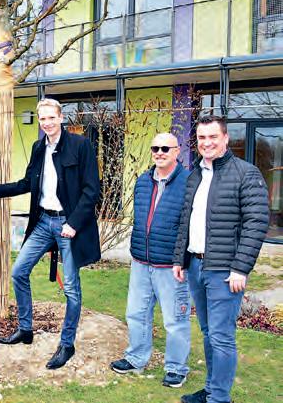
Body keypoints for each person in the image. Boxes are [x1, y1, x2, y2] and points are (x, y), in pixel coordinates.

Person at [0, 98, 100, 370]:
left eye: (51, 117)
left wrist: (73, 223)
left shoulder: (80, 145)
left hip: (68, 225)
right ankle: (25, 329)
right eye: (42, 118)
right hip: (44, 221)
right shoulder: (38, 148)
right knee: (18, 272)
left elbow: (91, 190)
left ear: (61, 117)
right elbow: (28, 183)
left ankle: (67, 344)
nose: (47, 123)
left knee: (71, 287)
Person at [174, 116, 269, 403]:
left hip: (224, 271)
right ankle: (212, 390)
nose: (207, 143)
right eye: (202, 138)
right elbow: (186, 220)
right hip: (195, 265)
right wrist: (180, 259)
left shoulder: (246, 173)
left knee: (221, 336)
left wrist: (240, 267)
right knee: (208, 333)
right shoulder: (194, 175)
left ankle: (219, 398)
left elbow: (256, 223)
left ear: (226, 138)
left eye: (213, 137)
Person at [109, 133, 191, 388]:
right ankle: (136, 358)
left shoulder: (189, 182)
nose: (160, 152)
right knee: (136, 313)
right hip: (141, 261)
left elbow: (189, 225)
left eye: (165, 148)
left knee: (174, 320)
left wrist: (182, 259)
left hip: (171, 264)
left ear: (177, 151)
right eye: (155, 148)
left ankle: (176, 368)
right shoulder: (143, 181)